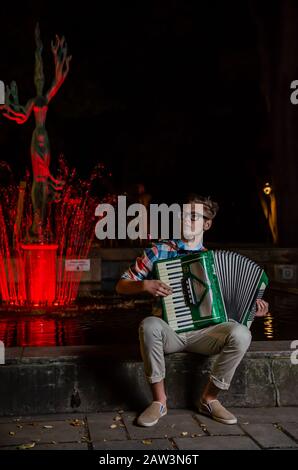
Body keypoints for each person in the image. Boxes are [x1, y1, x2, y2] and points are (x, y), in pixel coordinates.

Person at [115, 193, 269, 426]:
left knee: (241, 333)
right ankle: (159, 402)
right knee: (148, 325)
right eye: (184, 215)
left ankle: (209, 398)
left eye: (194, 216)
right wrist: (144, 284)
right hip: (170, 332)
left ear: (207, 224)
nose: (186, 220)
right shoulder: (159, 252)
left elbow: (230, 311)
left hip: (204, 335)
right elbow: (121, 285)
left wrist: (251, 309)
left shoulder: (213, 261)